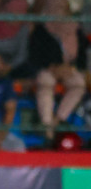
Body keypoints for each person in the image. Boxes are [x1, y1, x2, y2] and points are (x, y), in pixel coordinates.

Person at [28, 16, 86, 144]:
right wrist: (52, 67)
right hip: (48, 68)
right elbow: (35, 56)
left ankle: (56, 121)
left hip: (69, 69)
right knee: (45, 84)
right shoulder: (42, 30)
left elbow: (82, 58)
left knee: (79, 84)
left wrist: (70, 68)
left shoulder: (76, 29)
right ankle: (47, 126)